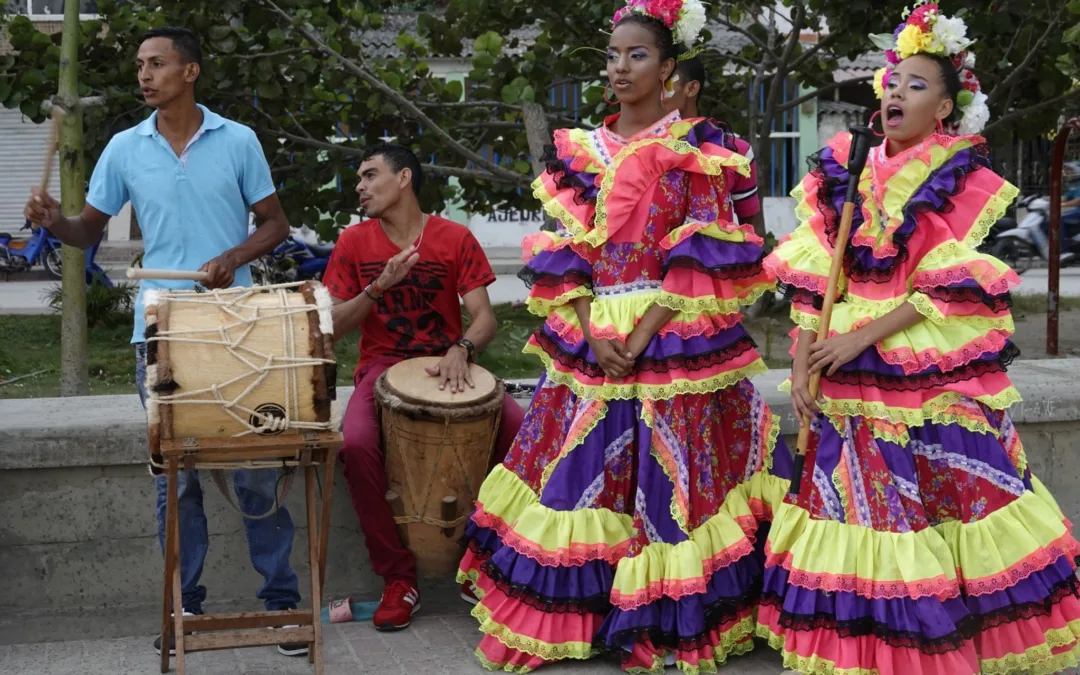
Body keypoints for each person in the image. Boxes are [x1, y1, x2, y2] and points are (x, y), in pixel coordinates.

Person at [455, 1, 791, 671]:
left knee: (670, 483)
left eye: (637, 55)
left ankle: (661, 621)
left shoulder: (700, 149)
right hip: (591, 336)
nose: (620, 67)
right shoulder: (582, 150)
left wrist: (637, 336)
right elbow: (562, 254)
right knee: (581, 476)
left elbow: (702, 254)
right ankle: (579, 616)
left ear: (669, 69)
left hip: (671, 334)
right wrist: (586, 326)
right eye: (613, 56)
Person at [761, 3, 1080, 673]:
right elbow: (815, 282)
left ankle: (946, 637)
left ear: (945, 108)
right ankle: (866, 644)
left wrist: (858, 341)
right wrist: (800, 365)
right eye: (893, 80)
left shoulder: (959, 177)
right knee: (855, 506)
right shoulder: (843, 167)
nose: (897, 92)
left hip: (920, 359)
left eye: (916, 84)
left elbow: (946, 288)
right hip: (839, 363)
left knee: (947, 500)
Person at [23, 26, 304, 658]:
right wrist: (51, 221)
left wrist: (233, 256)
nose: (145, 74)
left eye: (158, 63)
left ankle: (282, 602)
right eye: (140, 65)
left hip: (238, 326)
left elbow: (276, 224)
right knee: (175, 482)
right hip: (160, 328)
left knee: (259, 471)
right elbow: (85, 229)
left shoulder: (239, 140)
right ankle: (184, 605)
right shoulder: (125, 148)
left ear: (191, 71)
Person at [322, 143, 526, 633]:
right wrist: (377, 287)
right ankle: (399, 579)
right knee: (353, 445)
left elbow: (484, 318)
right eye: (359, 180)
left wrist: (462, 349)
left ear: (404, 178)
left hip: (450, 364)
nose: (361, 187)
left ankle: (491, 560)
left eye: (371, 176)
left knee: (524, 433)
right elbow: (332, 324)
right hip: (381, 369)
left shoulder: (454, 237)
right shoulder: (353, 242)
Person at [664, 55, 765, 238]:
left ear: (692, 88)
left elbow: (751, 230)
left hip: (713, 263)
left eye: (665, 83)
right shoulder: (633, 151)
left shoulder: (735, 152)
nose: (655, 91)